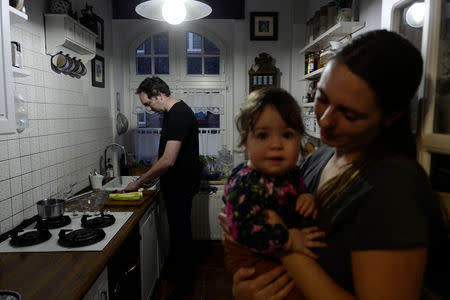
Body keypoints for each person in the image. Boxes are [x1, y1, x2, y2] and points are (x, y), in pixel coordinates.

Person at [222, 30, 450, 300]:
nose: (326, 120)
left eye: (349, 114)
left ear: (391, 116)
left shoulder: (394, 188)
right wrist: (244, 289)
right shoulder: (321, 157)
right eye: (322, 99)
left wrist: (282, 243)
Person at [222, 88, 327, 299]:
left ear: (300, 141)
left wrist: (305, 196)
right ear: (245, 142)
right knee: (288, 291)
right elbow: (241, 230)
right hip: (251, 255)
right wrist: (288, 238)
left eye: (287, 135)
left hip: (276, 251)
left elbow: (294, 193)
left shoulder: (292, 172)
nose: (276, 145)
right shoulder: (245, 182)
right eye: (263, 135)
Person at [124, 76, 201, 299]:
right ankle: (178, 274)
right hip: (177, 183)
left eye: (148, 103)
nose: (148, 109)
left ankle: (185, 285)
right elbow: (162, 152)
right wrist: (150, 175)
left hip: (182, 184)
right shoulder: (170, 113)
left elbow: (168, 161)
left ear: (159, 94)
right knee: (178, 232)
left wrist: (139, 181)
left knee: (181, 233)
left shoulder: (179, 114)